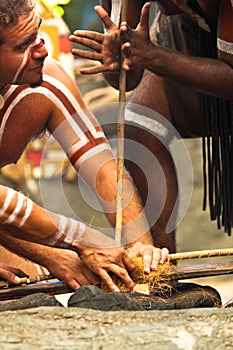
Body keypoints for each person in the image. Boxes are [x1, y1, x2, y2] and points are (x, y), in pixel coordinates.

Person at [0, 0, 169, 292]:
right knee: (34, 279)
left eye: (38, 35)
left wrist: (141, 248)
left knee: (50, 277)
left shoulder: (44, 82)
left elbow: (102, 167)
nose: (42, 49)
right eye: (23, 45)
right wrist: (74, 245)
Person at [70, 0, 233, 253]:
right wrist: (120, 58)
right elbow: (126, 77)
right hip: (185, 33)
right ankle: (160, 270)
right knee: (141, 128)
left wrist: (154, 56)